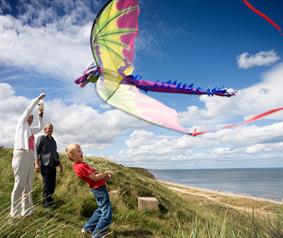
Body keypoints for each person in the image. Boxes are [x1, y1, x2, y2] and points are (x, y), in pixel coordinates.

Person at [65, 144, 113, 238]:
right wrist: (104, 173)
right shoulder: (80, 167)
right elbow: (94, 178)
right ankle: (97, 235)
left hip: (99, 188)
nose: (81, 152)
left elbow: (95, 175)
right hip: (99, 189)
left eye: (80, 150)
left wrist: (104, 177)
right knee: (107, 213)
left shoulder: (81, 165)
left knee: (101, 210)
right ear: (72, 156)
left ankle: (87, 228)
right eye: (78, 151)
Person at [10, 92, 45, 218]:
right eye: (29, 117)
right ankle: (15, 213)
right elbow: (28, 109)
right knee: (19, 184)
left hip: (30, 156)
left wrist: (40, 115)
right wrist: (38, 99)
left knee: (28, 185)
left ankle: (27, 211)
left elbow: (41, 126)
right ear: (25, 117)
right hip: (21, 154)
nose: (30, 119)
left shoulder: (30, 130)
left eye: (32, 118)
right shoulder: (21, 124)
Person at [35, 123, 63, 208]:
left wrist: (60, 164)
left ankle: (50, 200)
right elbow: (36, 151)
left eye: (51, 128)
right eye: (48, 128)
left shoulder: (53, 141)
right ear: (45, 130)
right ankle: (45, 203)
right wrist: (36, 163)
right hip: (45, 165)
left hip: (53, 165)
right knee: (46, 184)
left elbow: (55, 153)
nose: (49, 129)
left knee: (52, 185)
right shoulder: (42, 138)